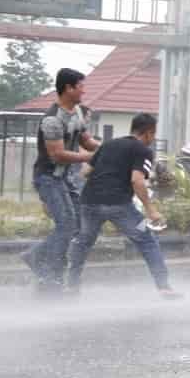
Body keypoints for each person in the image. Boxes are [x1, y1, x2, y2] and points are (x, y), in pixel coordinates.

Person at [66, 113, 178, 297]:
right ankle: (163, 286)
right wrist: (151, 210)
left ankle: (71, 285)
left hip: (89, 202)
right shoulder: (143, 150)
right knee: (146, 239)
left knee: (83, 242)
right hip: (120, 205)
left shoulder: (108, 145)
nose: (153, 138)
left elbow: (85, 172)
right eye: (153, 134)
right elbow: (137, 180)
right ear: (149, 133)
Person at [27, 68, 99, 292]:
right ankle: (52, 274)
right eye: (81, 87)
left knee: (77, 225)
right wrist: (89, 157)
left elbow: (86, 141)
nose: (84, 91)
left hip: (64, 178)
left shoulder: (76, 112)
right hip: (48, 178)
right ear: (68, 88)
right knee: (66, 225)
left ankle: (36, 256)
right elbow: (57, 155)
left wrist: (109, 149)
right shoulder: (52, 120)